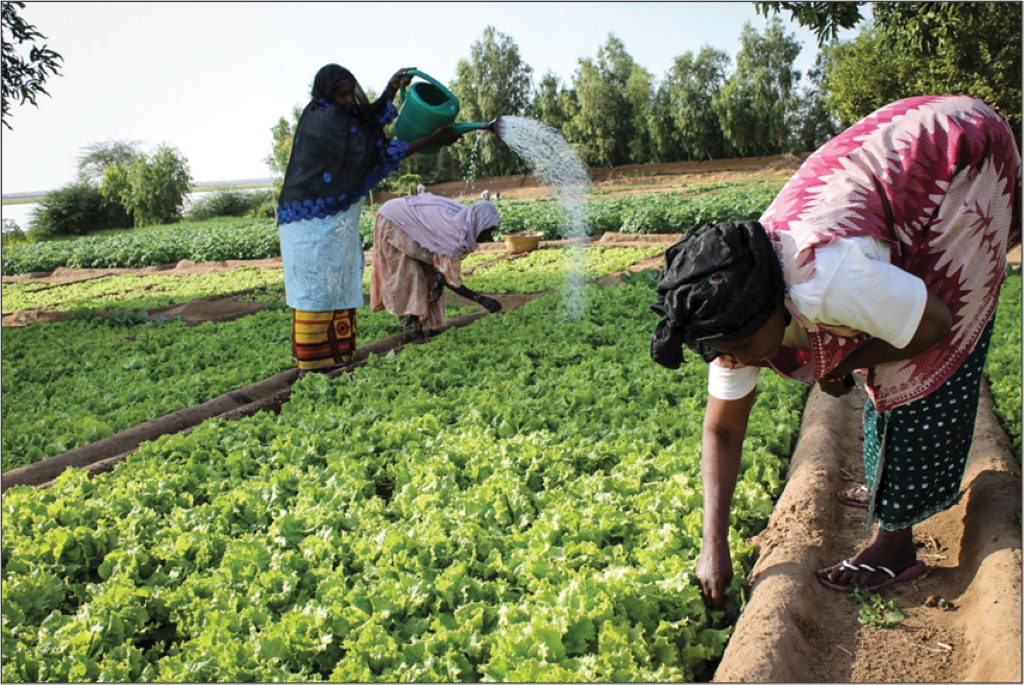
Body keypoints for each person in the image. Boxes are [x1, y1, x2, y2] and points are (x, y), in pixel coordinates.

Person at [649, 96, 1021, 607]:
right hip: (902, 160)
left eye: (742, 348)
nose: (739, 360)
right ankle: (888, 486)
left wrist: (843, 363)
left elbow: (934, 324)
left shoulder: (824, 281)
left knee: (910, 366)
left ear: (775, 308)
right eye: (723, 351)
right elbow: (722, 428)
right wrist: (712, 544)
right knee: (877, 336)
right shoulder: (729, 304)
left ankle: (894, 544)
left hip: (965, 156)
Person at [277, 64, 462, 375]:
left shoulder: (341, 117)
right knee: (318, 290)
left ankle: (338, 358)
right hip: (309, 222)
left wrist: (391, 89)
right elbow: (376, 150)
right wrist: (429, 139)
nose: (350, 100)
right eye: (342, 94)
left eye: (351, 93)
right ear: (326, 94)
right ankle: (315, 363)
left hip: (332, 221)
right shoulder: (324, 121)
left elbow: (366, 122)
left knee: (337, 283)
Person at [371, 193, 504, 340]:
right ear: (479, 225)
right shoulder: (452, 234)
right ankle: (412, 329)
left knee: (431, 273)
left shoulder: (465, 220)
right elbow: (448, 279)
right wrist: (481, 299)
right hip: (394, 221)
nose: (489, 237)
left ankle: (433, 327)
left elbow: (441, 274)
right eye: (487, 231)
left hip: (408, 221)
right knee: (409, 273)